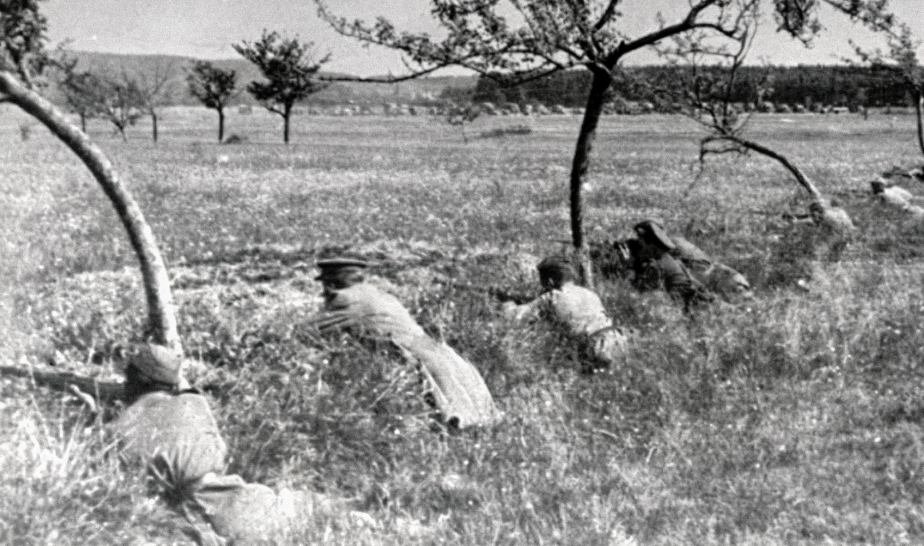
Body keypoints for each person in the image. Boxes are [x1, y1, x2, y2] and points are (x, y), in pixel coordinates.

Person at [110, 343, 349, 545]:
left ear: (135, 380)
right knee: (317, 510)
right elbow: (178, 386)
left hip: (187, 512)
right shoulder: (193, 403)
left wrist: (95, 408)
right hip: (230, 495)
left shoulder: (121, 425)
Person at [310, 258, 500, 429]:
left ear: (331, 283)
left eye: (326, 284)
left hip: (413, 353)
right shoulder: (381, 295)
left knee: (444, 405)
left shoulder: (346, 298)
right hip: (438, 351)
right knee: (466, 403)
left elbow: (311, 330)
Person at [504, 256, 628, 372]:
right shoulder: (590, 294)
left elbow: (517, 317)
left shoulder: (552, 297)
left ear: (550, 281)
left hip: (593, 349)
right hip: (618, 343)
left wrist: (507, 303)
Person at [630, 220, 714, 309]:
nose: (640, 248)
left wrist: (630, 265)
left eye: (641, 243)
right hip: (690, 299)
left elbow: (640, 289)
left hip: (685, 304)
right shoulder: (667, 258)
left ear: (651, 245)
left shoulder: (657, 265)